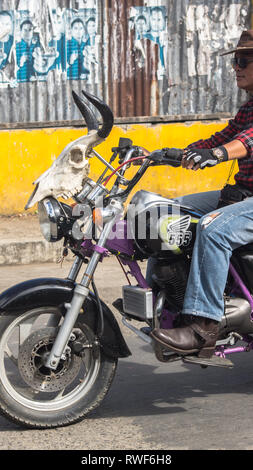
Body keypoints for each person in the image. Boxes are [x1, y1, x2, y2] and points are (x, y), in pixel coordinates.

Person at [148, 30, 253, 359]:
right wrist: (173, 154)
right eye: (236, 60)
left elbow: (245, 142)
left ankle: (203, 328)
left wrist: (221, 154)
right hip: (245, 193)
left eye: (244, 60)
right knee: (168, 211)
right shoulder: (248, 109)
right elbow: (221, 138)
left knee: (213, 227)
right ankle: (166, 300)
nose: (236, 67)